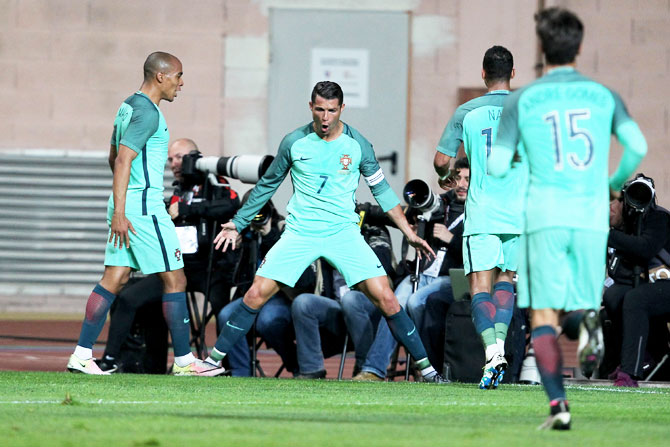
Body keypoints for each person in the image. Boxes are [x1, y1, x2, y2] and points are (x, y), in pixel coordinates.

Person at [206, 81, 447, 383]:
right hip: (300, 233)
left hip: (343, 233)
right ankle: (210, 362)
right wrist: (238, 222)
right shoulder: (294, 142)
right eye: (319, 109)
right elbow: (267, 185)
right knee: (255, 294)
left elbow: (382, 191)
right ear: (311, 107)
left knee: (387, 299)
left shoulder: (358, 145)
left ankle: (428, 371)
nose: (325, 117)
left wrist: (408, 232)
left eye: (331, 110)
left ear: (341, 109)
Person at [488, 8, 648, 430]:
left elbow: (499, 164)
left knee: (543, 315)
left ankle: (558, 407)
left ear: (542, 48)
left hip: (545, 215)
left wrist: (524, 160)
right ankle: (588, 323)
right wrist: (610, 182)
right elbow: (636, 145)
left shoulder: (524, 98)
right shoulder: (604, 94)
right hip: (592, 216)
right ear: (578, 47)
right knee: (578, 305)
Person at [66, 52, 225, 376]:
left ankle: (81, 355)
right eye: (178, 76)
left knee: (115, 278)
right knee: (175, 277)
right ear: (161, 77)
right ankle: (184, 362)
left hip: (128, 205)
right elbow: (122, 160)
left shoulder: (128, 106)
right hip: (143, 208)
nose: (181, 83)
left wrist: (120, 206)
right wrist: (125, 210)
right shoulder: (149, 114)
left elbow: (113, 156)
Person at [96, 138, 240, 373]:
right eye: (170, 159)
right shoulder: (176, 191)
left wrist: (187, 210)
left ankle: (231, 368)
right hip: (175, 266)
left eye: (180, 157)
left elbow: (230, 207)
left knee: (225, 312)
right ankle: (113, 360)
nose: (174, 163)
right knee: (128, 297)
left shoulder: (217, 185)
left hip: (211, 269)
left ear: (196, 158)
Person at [434, 46, 524, 390]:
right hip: (518, 215)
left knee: (478, 289)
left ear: (483, 74)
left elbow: (443, 161)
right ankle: (499, 350)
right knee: (506, 284)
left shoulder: (467, 112)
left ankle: (492, 352)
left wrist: (443, 176)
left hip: (484, 213)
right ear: (513, 75)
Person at [351, 159, 469, 381]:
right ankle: (374, 369)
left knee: (415, 302)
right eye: (458, 178)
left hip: (450, 279)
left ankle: (427, 368)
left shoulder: (479, 211)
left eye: (467, 180)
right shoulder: (438, 203)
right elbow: (396, 214)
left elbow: (480, 252)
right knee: (393, 304)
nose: (461, 184)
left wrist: (451, 239)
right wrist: (363, 210)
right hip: (420, 273)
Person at [601, 174, 670, 387]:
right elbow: (620, 275)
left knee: (636, 298)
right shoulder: (622, 231)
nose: (610, 207)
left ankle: (630, 372)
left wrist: (605, 234)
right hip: (650, 292)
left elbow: (645, 247)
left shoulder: (659, 218)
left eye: (614, 201)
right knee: (614, 296)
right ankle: (644, 356)